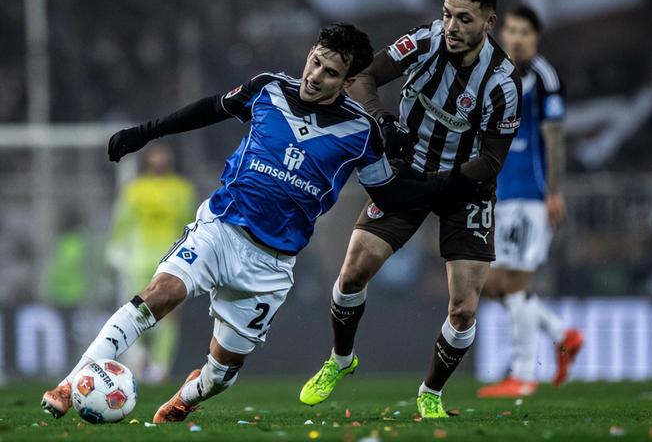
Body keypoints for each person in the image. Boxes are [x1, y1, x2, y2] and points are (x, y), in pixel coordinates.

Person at [41, 23, 459, 423]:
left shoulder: (361, 132)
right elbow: (210, 109)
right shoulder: (269, 88)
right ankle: (67, 385)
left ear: (348, 81)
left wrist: (439, 178)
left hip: (270, 264)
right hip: (221, 227)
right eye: (315, 61)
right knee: (158, 294)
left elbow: (388, 194)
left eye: (330, 73)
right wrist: (145, 133)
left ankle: (187, 397)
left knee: (222, 373)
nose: (315, 76)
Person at [299, 0, 522, 419]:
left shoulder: (502, 82)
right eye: (447, 14)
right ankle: (341, 359)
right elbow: (364, 76)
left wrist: (434, 187)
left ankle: (431, 393)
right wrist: (383, 120)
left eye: (464, 19)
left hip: (465, 187)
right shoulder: (426, 40)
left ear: (489, 23)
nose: (451, 26)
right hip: (408, 170)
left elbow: (492, 161)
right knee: (352, 273)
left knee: (464, 309)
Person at [476, 5, 583, 398]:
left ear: (535, 39)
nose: (517, 38)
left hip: (531, 197)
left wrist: (553, 191)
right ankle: (561, 334)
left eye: (525, 32)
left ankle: (523, 373)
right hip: (501, 196)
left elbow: (554, 138)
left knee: (514, 281)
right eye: (512, 30)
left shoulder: (545, 77)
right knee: (491, 283)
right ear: (502, 34)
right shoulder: (492, 76)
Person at [106, 143, 196, 382]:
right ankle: (143, 354)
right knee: (139, 312)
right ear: (148, 160)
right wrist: (116, 251)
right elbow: (122, 223)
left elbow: (189, 226)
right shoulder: (135, 189)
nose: (159, 161)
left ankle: (160, 365)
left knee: (168, 316)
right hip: (139, 261)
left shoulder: (181, 189)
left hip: (171, 261)